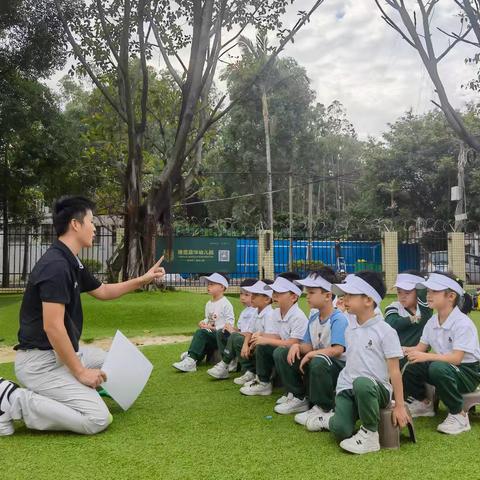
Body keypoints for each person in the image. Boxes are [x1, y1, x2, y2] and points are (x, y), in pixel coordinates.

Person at [0, 196, 165, 436]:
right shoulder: (56, 266)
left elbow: (104, 291)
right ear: (75, 225)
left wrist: (144, 279)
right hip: (40, 364)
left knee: (117, 363)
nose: (95, 227)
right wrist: (80, 372)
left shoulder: (72, 261)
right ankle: (12, 400)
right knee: (97, 419)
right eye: (91, 221)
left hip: (62, 355)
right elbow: (53, 327)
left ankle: (76, 389)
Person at [306, 272, 410, 455]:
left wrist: (400, 405)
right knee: (341, 431)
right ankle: (329, 419)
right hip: (348, 387)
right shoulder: (349, 324)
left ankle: (370, 434)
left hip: (376, 389)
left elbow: (395, 371)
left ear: (368, 300)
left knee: (362, 382)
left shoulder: (386, 331)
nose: (344, 299)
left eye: (350, 295)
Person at [403, 272, 480, 434]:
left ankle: (459, 415)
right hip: (446, 368)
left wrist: (426, 356)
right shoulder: (432, 321)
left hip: (467, 373)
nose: (428, 295)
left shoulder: (462, 323)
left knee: (437, 368)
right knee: (411, 366)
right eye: (428, 291)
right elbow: (420, 348)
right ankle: (425, 404)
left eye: (434, 291)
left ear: (451, 296)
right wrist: (402, 350)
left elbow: (457, 358)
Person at [273, 268, 349, 427]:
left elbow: (337, 350)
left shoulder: (338, 319)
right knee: (282, 352)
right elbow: (307, 346)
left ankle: (324, 407)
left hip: (337, 368)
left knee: (319, 360)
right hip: (319, 363)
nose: (307, 296)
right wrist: (297, 346)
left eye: (312, 292)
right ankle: (300, 397)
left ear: (328, 296)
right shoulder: (314, 317)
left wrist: (311, 354)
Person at [239, 273, 308, 397]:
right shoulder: (277, 313)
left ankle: (296, 395)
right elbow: (276, 336)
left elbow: (293, 343)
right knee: (262, 345)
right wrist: (262, 336)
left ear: (293, 297)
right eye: (274, 292)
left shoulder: (298, 316)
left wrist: (266, 340)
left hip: (297, 355)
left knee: (277, 350)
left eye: (279, 293)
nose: (274, 296)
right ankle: (263, 383)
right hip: (285, 352)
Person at [172, 273, 234, 373]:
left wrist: (214, 328)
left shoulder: (226, 304)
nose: (208, 286)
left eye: (212, 284)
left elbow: (230, 324)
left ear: (222, 287)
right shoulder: (209, 304)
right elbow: (208, 319)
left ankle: (190, 360)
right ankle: (192, 357)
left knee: (201, 333)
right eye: (208, 284)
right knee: (203, 334)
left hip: (221, 336)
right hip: (210, 334)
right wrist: (203, 322)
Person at [207, 278, 257, 379]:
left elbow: (249, 333)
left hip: (248, 341)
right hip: (240, 337)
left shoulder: (256, 311)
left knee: (234, 336)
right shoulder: (245, 312)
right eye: (241, 294)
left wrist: (233, 331)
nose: (242, 297)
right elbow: (240, 329)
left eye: (246, 295)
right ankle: (229, 362)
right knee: (221, 332)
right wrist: (231, 328)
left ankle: (226, 363)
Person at [231, 280, 275, 386]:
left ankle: (262, 378)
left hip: (263, 345)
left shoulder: (270, 314)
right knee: (237, 339)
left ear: (267, 299)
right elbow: (250, 331)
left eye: (255, 295)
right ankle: (251, 371)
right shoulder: (256, 311)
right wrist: (245, 345)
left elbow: (269, 337)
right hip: (255, 342)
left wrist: (254, 342)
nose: (252, 298)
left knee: (260, 347)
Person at [385, 271, 432, 363]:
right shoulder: (394, 307)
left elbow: (425, 317)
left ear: (418, 292)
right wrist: (411, 319)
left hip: (420, 354)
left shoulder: (424, 308)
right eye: (399, 292)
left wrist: (421, 290)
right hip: (398, 355)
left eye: (407, 293)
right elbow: (391, 324)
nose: (402, 296)